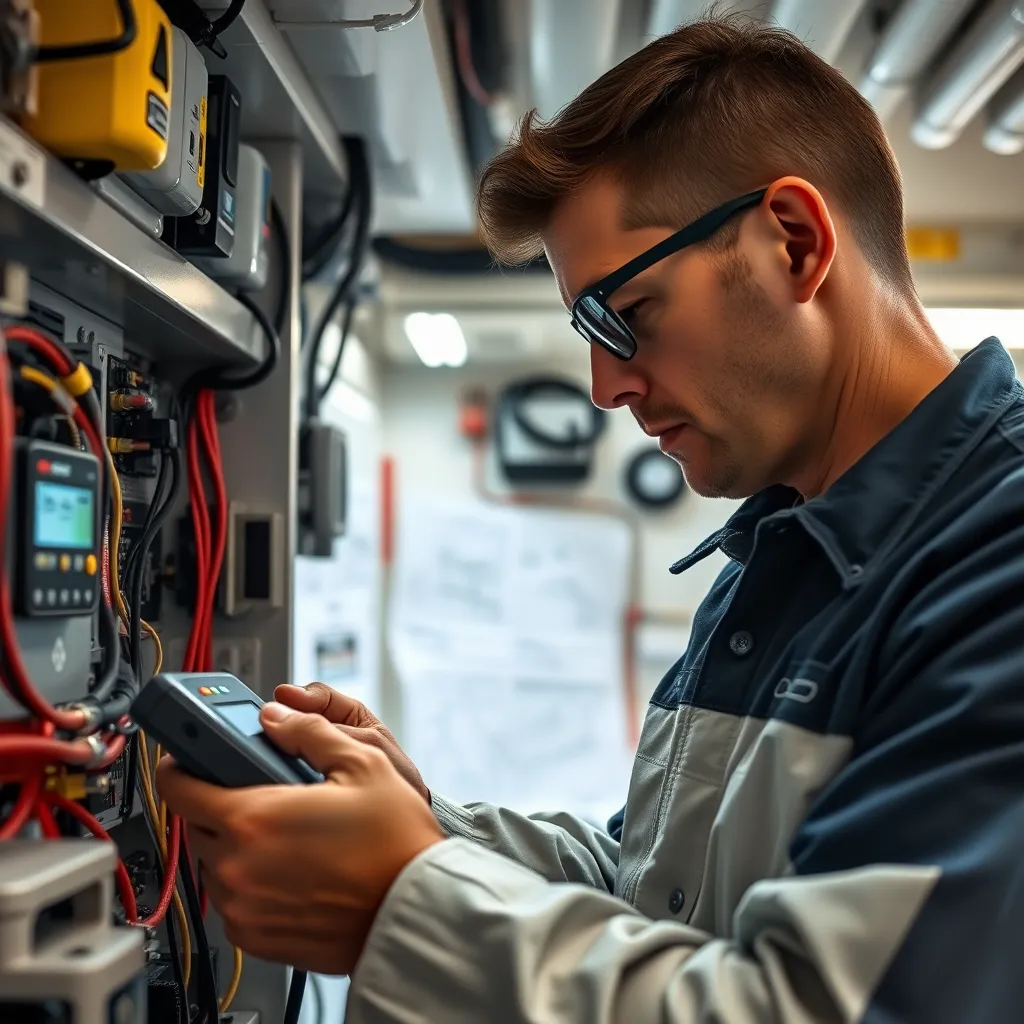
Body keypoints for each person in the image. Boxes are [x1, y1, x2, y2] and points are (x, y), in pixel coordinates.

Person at [157, 13, 1024, 1023]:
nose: (603, 386)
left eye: (626, 314)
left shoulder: (993, 564)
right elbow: (658, 887)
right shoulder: (780, 547)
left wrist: (400, 895)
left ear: (795, 241)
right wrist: (414, 822)